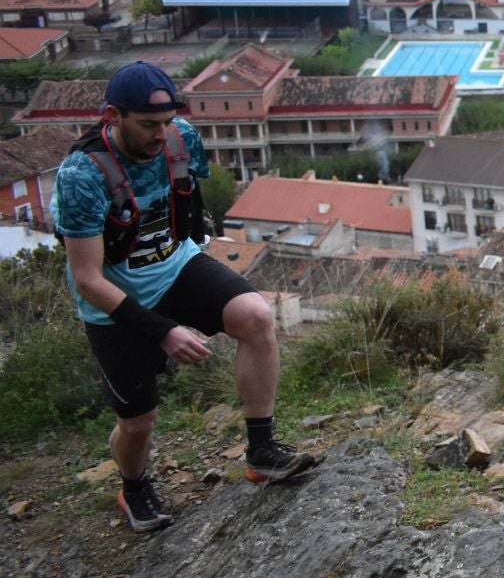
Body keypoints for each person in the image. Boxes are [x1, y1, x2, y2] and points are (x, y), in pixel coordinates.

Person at [54, 61, 316, 534]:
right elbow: (88, 277)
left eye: (167, 121)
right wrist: (164, 331)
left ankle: (262, 451)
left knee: (256, 317)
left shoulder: (182, 137)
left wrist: (204, 253)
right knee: (138, 423)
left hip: (175, 265)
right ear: (113, 116)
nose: (161, 134)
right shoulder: (81, 176)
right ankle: (133, 488)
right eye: (148, 124)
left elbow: (188, 202)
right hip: (113, 299)